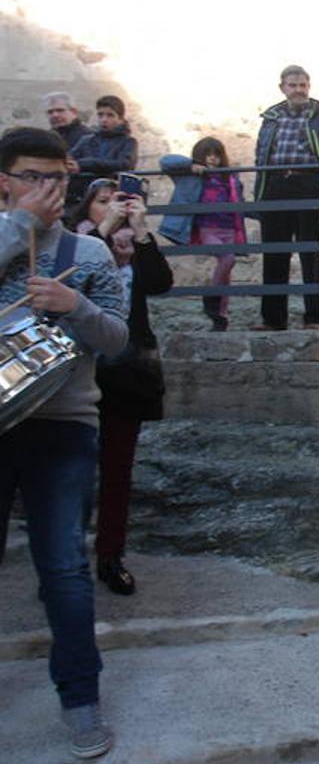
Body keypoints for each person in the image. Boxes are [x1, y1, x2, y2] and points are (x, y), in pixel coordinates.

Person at [0, 127, 129, 759]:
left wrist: (74, 302)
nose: (49, 190)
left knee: (64, 571)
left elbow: (116, 340)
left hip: (64, 424)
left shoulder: (88, 251)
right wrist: (14, 226)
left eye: (58, 179)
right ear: (4, 179)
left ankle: (81, 701)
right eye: (33, 177)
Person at [73, 179, 173, 595]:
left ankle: (110, 557)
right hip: (78, 373)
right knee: (72, 473)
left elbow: (160, 283)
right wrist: (102, 231)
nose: (115, 208)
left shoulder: (135, 249)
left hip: (125, 374)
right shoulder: (75, 244)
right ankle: (66, 559)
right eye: (104, 202)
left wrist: (144, 232)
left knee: (117, 472)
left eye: (124, 202)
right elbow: (75, 284)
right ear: (87, 210)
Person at [252, 65, 319, 330]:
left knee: (311, 254)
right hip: (275, 186)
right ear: (282, 87)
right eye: (292, 85)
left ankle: (314, 318)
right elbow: (261, 153)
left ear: (309, 86)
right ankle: (272, 320)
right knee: (274, 255)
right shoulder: (270, 118)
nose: (298, 90)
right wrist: (260, 191)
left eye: (302, 85)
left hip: (308, 185)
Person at [159, 138, 246, 330]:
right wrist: (191, 165)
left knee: (226, 275)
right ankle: (211, 298)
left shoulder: (229, 177)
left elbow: (240, 202)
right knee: (228, 259)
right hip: (208, 227)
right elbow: (166, 161)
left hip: (229, 227)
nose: (212, 159)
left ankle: (220, 317)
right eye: (208, 154)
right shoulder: (190, 174)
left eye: (216, 154)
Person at [67, 95, 139, 211]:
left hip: (113, 198)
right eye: (100, 115)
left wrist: (84, 165)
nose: (104, 119)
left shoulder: (128, 142)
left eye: (110, 115)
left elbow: (124, 164)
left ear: (120, 118)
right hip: (83, 196)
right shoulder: (86, 140)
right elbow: (70, 159)